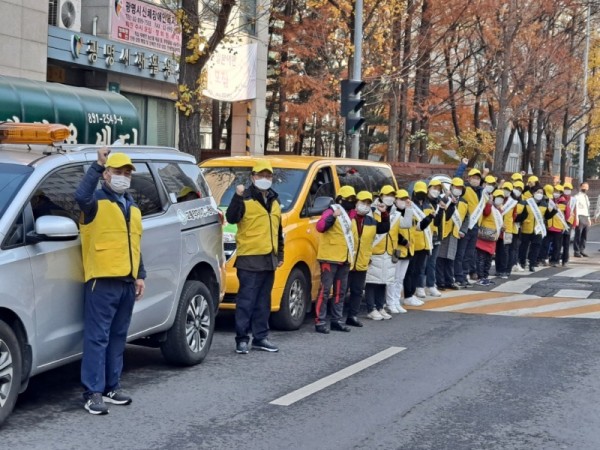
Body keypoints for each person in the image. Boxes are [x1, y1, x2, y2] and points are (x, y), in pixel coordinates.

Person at [75, 150, 146, 415]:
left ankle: (111, 387)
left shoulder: (132, 206)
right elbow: (78, 196)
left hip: (126, 282)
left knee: (118, 337)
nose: (123, 177)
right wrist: (97, 164)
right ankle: (92, 392)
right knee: (97, 338)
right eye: (117, 172)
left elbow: (135, 245)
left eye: (127, 173)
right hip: (102, 282)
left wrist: (140, 275)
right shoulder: (94, 201)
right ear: (106, 174)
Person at [226, 159, 283, 354]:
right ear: (253, 177)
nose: (265, 179)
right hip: (249, 258)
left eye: (268, 176)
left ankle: (261, 337)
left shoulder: (275, 199)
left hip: (269, 258)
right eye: (261, 175)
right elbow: (232, 218)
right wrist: (237, 196)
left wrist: (280, 253)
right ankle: (242, 339)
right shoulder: (245, 197)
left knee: (263, 302)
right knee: (246, 302)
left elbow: (278, 230)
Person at [314, 185, 357, 333]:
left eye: (353, 199)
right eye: (349, 199)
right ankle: (320, 321)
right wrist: (333, 216)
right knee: (325, 291)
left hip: (344, 258)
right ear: (340, 199)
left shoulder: (351, 214)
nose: (352, 202)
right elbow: (320, 227)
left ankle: (336, 320)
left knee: (340, 291)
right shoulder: (330, 211)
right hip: (329, 258)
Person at [346, 191, 389, 325]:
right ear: (356, 203)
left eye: (367, 203)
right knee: (341, 291)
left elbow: (384, 228)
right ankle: (336, 318)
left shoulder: (370, 221)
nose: (364, 206)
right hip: (347, 260)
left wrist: (384, 214)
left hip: (362, 261)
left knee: (357, 291)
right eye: (362, 202)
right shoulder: (348, 218)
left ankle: (352, 316)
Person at [365, 185, 404, 318]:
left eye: (392, 195)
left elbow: (406, 226)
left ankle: (380, 306)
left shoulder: (395, 213)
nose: (390, 198)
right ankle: (371, 308)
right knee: (371, 280)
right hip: (375, 250)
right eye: (387, 195)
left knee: (384, 280)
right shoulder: (371, 210)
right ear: (381, 196)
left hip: (389, 251)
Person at [403, 181, 437, 307]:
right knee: (410, 271)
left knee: (418, 270)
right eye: (419, 193)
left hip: (424, 243)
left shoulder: (428, 205)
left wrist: (430, 218)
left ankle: (412, 293)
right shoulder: (411, 206)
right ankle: (408, 294)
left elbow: (423, 226)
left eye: (423, 193)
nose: (421, 195)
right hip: (413, 243)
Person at [436, 177, 468, 290]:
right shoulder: (444, 199)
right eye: (456, 187)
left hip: (455, 234)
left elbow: (466, 218)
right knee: (440, 258)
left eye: (460, 188)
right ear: (451, 187)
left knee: (450, 259)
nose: (458, 189)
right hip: (444, 232)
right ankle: (440, 282)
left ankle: (449, 281)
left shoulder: (464, 202)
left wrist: (463, 230)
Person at [385, 189, 413, 312]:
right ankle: (390, 302)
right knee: (393, 278)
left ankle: (396, 301)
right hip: (397, 249)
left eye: (405, 199)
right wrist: (404, 241)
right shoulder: (392, 212)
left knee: (400, 277)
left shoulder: (409, 211)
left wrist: (409, 208)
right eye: (401, 199)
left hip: (407, 251)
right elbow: (392, 231)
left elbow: (410, 226)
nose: (403, 202)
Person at [518, 184, 557, 272]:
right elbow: (521, 216)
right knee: (524, 247)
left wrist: (554, 211)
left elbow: (547, 216)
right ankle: (522, 262)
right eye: (538, 192)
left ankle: (532, 264)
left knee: (535, 247)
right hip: (526, 228)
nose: (539, 194)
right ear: (533, 193)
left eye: (541, 192)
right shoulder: (527, 202)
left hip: (538, 229)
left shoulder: (544, 204)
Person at [475, 189, 503, 285]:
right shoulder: (489, 206)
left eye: (501, 198)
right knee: (481, 258)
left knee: (488, 259)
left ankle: (486, 276)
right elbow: (486, 212)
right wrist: (489, 202)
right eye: (498, 197)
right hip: (484, 237)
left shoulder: (499, 210)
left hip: (492, 238)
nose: (499, 199)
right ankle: (480, 277)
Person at [494, 181, 517, 278]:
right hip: (497, 228)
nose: (506, 191)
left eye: (508, 190)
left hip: (507, 229)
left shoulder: (513, 202)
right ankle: (498, 269)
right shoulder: (499, 199)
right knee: (497, 250)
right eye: (505, 189)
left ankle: (505, 269)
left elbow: (514, 215)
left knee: (505, 250)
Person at [547, 184, 570, 267]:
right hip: (549, 226)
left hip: (558, 227)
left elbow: (567, 215)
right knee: (546, 244)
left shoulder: (564, 203)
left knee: (557, 245)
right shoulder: (550, 201)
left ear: (561, 193)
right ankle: (546, 258)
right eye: (554, 191)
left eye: (557, 191)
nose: (555, 193)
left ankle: (555, 260)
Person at [573, 182, 590, 257]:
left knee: (584, 235)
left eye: (586, 187)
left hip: (586, 216)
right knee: (578, 235)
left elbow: (587, 208)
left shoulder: (586, 197)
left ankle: (582, 249)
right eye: (584, 187)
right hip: (579, 216)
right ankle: (576, 251)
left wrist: (589, 218)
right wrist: (576, 218)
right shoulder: (577, 197)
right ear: (580, 187)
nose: (585, 188)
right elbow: (575, 208)